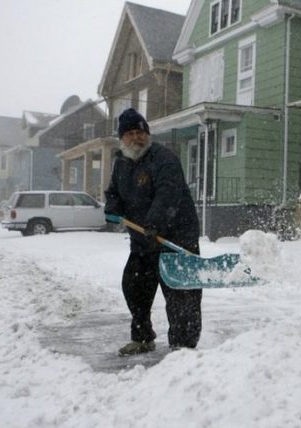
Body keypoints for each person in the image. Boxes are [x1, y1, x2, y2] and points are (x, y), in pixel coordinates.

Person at [104, 108, 202, 356]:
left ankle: (183, 348)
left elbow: (169, 194)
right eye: (130, 133)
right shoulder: (121, 164)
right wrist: (112, 208)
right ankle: (143, 337)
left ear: (147, 135)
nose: (136, 137)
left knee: (181, 296)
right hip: (142, 241)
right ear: (122, 138)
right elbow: (113, 192)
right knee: (134, 286)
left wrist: (154, 221)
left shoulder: (164, 158)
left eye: (140, 132)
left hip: (175, 238)